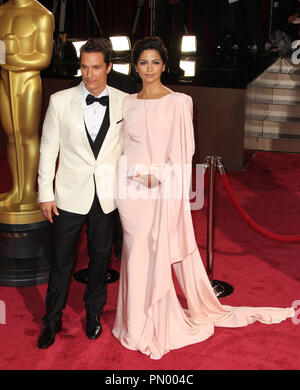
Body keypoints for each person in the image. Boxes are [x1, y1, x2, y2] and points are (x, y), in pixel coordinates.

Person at [112, 36, 294, 360]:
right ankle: (132, 323)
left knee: (152, 254)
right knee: (134, 254)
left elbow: (183, 153)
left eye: (155, 62)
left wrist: (163, 181)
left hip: (161, 191)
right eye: (143, 62)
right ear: (135, 66)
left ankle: (153, 322)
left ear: (164, 65)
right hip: (131, 190)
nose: (149, 69)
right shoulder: (127, 103)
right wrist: (125, 175)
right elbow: (123, 147)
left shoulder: (179, 101)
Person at [37, 38, 127, 349]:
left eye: (96, 68)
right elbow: (48, 148)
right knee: (61, 262)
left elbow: (130, 148)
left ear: (109, 67)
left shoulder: (124, 101)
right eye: (84, 67)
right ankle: (52, 320)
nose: (89, 74)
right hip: (67, 195)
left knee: (101, 261)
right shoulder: (60, 101)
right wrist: (44, 192)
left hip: (106, 196)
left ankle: (93, 315)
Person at [0, 0, 54, 209]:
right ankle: (16, 189)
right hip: (5, 81)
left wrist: (14, 58)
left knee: (28, 135)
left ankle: (28, 191)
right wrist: (6, 57)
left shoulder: (42, 15)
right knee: (12, 135)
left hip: (29, 82)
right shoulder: (2, 12)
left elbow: (43, 58)